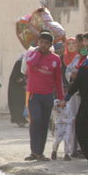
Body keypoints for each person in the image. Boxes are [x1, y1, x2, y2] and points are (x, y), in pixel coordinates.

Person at [24, 30, 65, 161]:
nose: (43, 45)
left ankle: (39, 153)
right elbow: (31, 64)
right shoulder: (31, 54)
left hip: (47, 96)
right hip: (33, 95)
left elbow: (58, 80)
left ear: (50, 45)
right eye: (41, 42)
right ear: (38, 42)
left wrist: (61, 98)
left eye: (46, 43)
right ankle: (34, 151)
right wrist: (37, 51)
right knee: (35, 120)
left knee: (43, 123)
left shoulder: (55, 59)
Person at [8, 46, 29, 127]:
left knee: (23, 103)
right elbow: (17, 77)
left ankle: (22, 119)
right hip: (16, 87)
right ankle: (19, 120)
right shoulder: (20, 63)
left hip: (23, 86)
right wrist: (24, 83)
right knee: (17, 103)